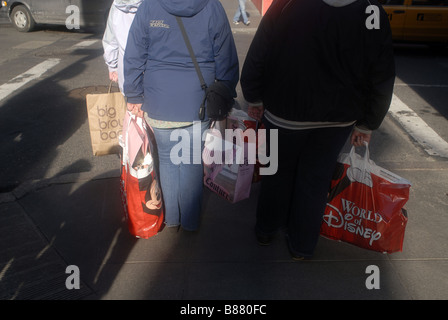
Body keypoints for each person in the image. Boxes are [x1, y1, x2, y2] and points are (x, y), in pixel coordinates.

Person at [240, 0, 395, 259]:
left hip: (284, 112)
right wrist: (368, 122)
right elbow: (381, 70)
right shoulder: (371, 10)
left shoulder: (287, 3)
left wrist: (253, 96)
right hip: (337, 120)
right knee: (314, 180)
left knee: (276, 173)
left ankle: (266, 230)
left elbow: (261, 49)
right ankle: (302, 246)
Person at [123, 0, 239, 231]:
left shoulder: (149, 6)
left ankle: (173, 218)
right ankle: (190, 221)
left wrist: (134, 94)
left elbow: (134, 53)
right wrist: (226, 90)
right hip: (198, 100)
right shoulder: (212, 6)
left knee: (166, 159)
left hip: (159, 100)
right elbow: (226, 55)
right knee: (190, 161)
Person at [102, 0, 143, 93]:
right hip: (151, 70)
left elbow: (110, 40)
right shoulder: (154, 5)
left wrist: (112, 66)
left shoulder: (117, 5)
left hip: (125, 69)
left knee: (130, 104)